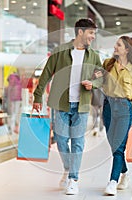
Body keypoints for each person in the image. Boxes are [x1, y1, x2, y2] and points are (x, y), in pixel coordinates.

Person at [33, 18, 103, 195]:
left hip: (82, 104)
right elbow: (47, 73)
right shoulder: (60, 51)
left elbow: (101, 75)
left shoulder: (93, 55)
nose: (93, 37)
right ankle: (68, 167)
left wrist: (93, 83)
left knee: (78, 142)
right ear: (80, 32)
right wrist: (37, 96)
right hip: (60, 103)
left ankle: (73, 179)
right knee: (62, 140)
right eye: (91, 33)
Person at [102, 36, 132, 196]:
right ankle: (125, 173)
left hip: (124, 109)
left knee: (119, 147)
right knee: (114, 146)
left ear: (127, 49)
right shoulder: (108, 63)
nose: (115, 47)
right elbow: (98, 80)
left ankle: (112, 182)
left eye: (118, 45)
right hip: (108, 107)